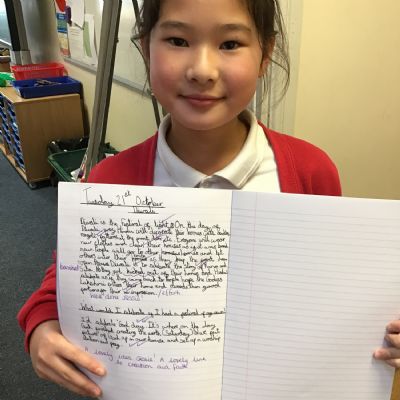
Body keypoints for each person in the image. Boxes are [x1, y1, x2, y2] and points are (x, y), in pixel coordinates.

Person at [17, 0, 400, 398]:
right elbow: (67, 280)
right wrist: (42, 326)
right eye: (178, 40)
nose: (202, 70)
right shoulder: (111, 181)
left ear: (265, 54)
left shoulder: (310, 172)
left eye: (230, 44)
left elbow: (338, 291)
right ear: (146, 47)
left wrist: (384, 329)